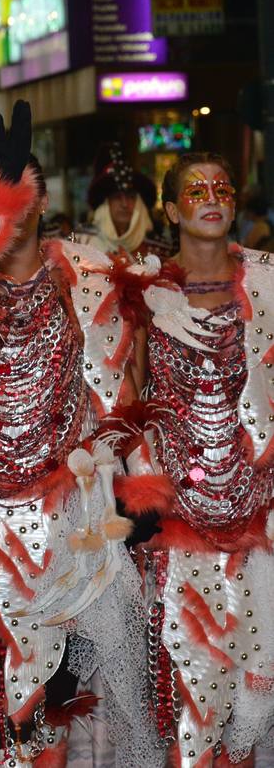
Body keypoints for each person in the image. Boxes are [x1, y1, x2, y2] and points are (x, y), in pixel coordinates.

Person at [0, 108, 162, 766]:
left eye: (28, 186)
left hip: (78, 516)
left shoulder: (88, 272)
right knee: (9, 701)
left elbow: (121, 391)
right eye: (1, 190)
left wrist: (141, 484)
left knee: (79, 700)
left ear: (42, 199)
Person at [117, 152, 274, 766]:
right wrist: (142, 492)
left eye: (223, 188)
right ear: (172, 207)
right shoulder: (142, 290)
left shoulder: (266, 279)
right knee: (195, 687)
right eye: (196, 190)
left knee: (251, 690)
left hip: (259, 513)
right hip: (179, 518)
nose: (212, 198)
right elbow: (125, 399)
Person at [79, 142, 171, 258]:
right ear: (105, 204)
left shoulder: (160, 250)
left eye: (131, 197)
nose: (124, 204)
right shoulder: (82, 243)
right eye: (117, 197)